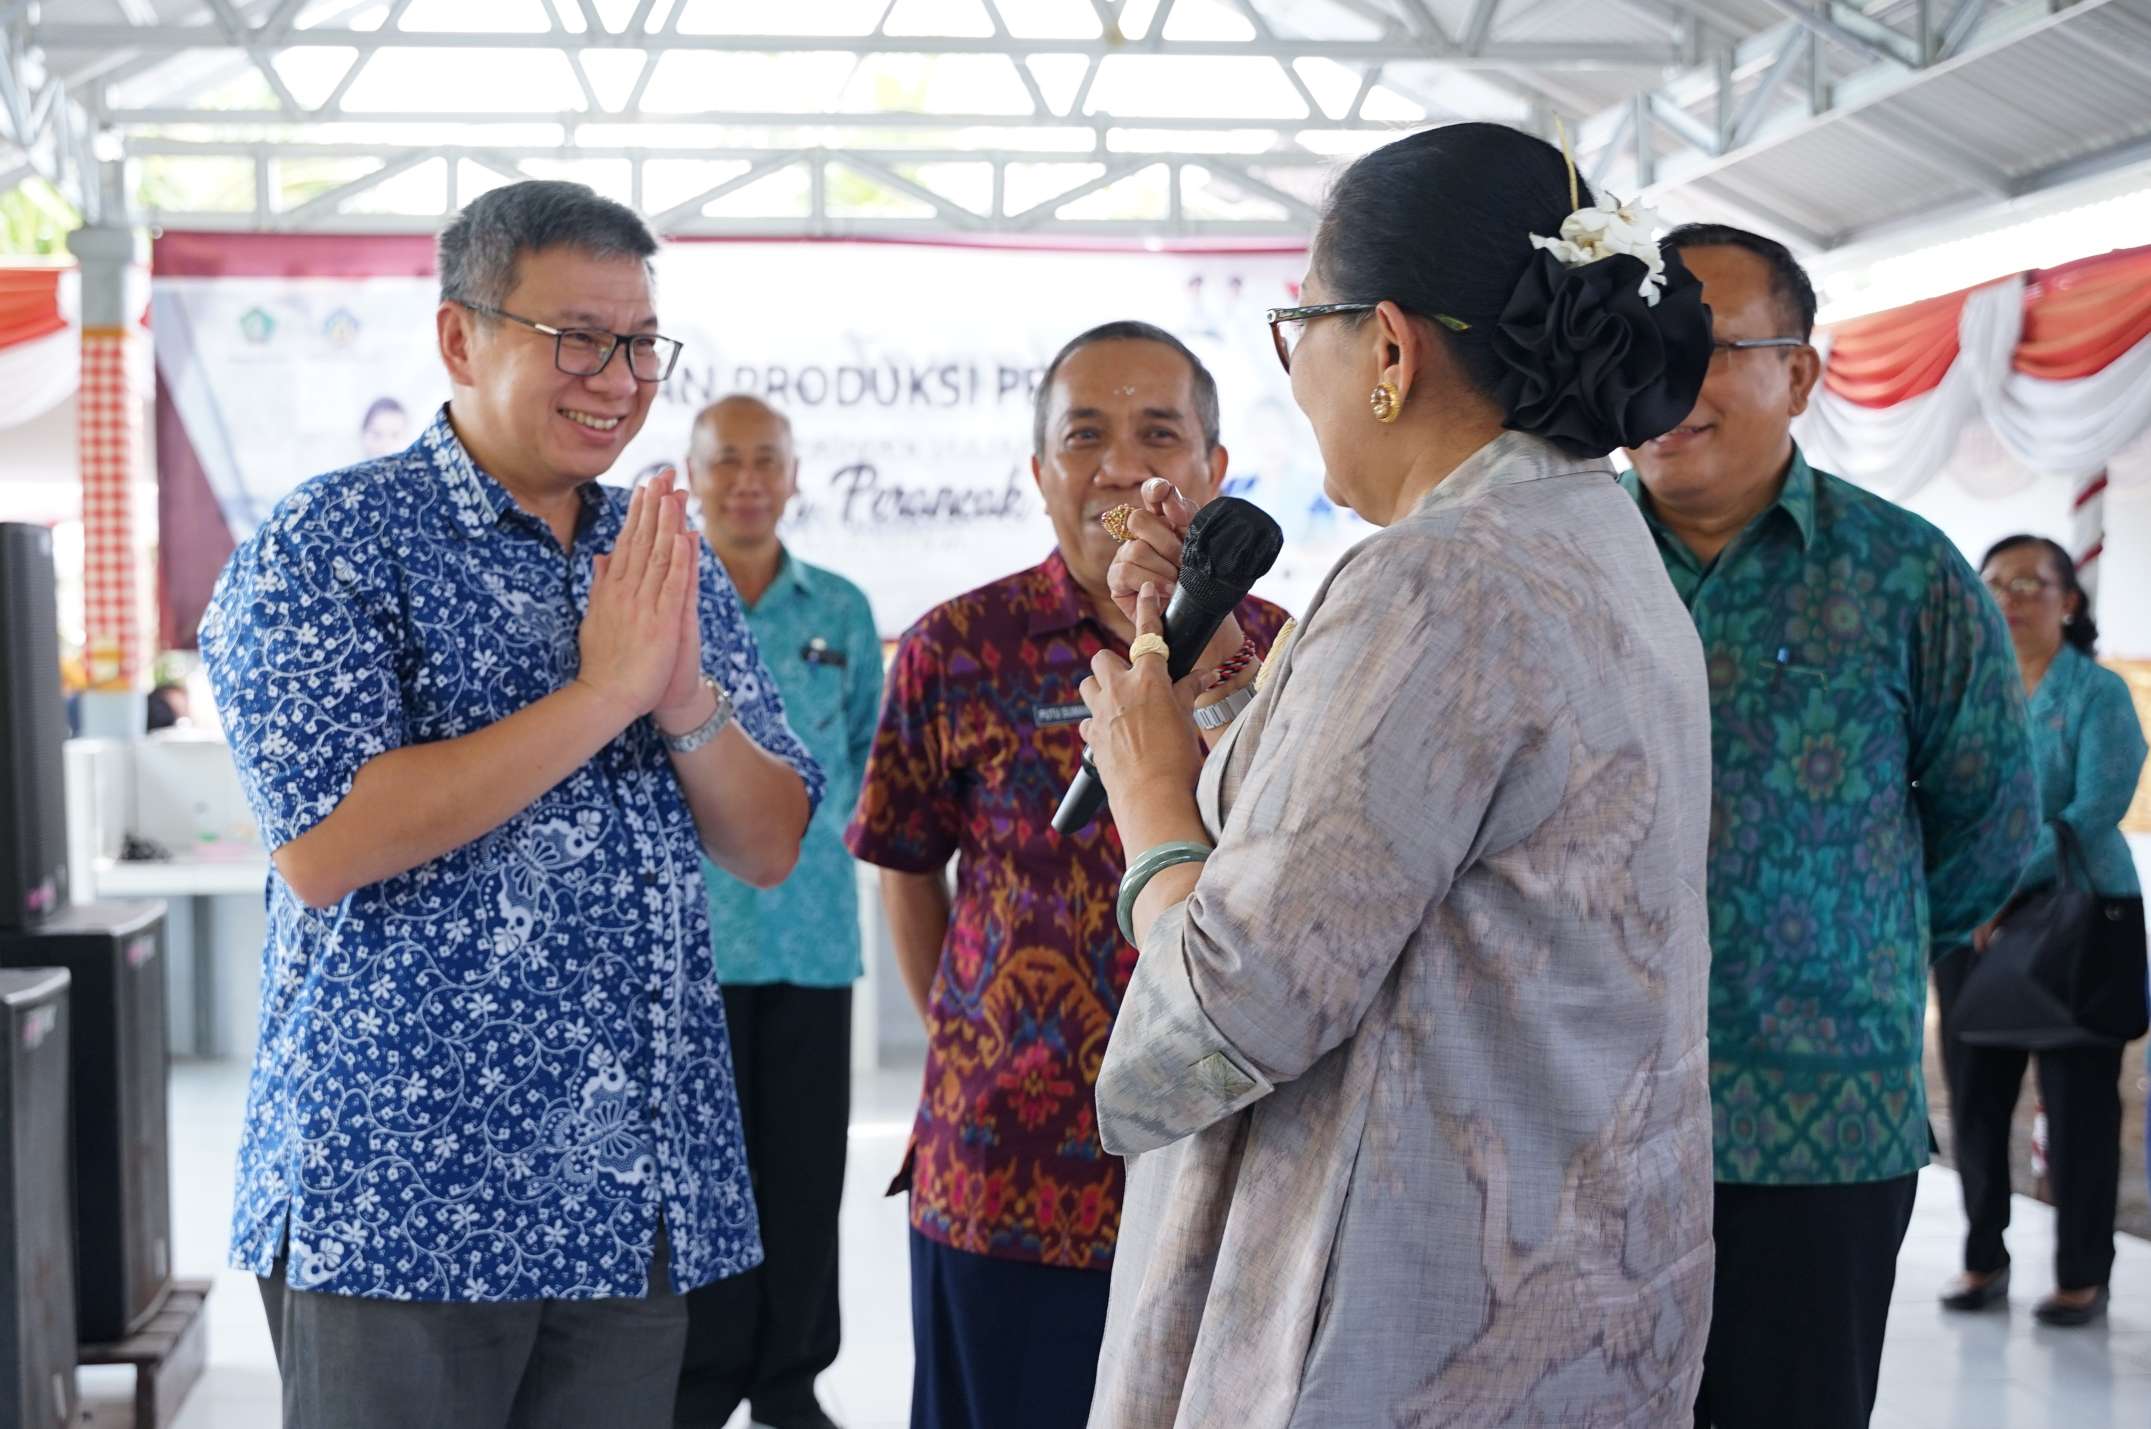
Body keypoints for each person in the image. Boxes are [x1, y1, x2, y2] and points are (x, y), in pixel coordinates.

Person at [1077, 121, 1720, 1426]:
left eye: (1296, 324)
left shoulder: (1437, 575)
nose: (1294, 372)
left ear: (1383, 346)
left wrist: (1148, 804)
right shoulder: (1584, 531)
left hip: (1409, 1314)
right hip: (1567, 1279)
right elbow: (1405, 863)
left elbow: (1239, 1003)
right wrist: (1216, 704)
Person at [198, 180, 824, 1429]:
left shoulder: (654, 550)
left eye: (641, 343)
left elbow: (767, 841)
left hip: (627, 1198)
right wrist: (602, 695)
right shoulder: (331, 541)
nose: (618, 376)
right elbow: (327, 843)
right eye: (578, 338)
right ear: (459, 337)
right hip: (402, 1203)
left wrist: (684, 692)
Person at [1620, 224, 2040, 1428]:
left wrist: (1843, 943)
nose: (1664, 385)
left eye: (1708, 349)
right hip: (1579, 1123)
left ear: (1800, 374)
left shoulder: (1907, 577)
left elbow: (1991, 827)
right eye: (1643, 347)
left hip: (1818, 1132)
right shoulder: (1563, 564)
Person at [843, 320, 1290, 1429]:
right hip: (1001, 1167)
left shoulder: (1281, 653)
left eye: (1158, 432)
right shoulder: (957, 644)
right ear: (1041, 470)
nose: (1121, 465)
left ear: (1213, 471)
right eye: (1084, 434)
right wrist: (962, 1035)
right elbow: (906, 860)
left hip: (1219, 1162)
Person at [675, 396, 883, 1429]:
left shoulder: (838, 611)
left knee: (804, 1173)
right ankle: (703, 1377)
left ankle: (791, 1376)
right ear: (693, 473)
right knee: (702, 1178)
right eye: (727, 462)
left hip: (810, 937)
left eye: (767, 461)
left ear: (795, 475)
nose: (748, 480)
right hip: (691, 945)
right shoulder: (665, 601)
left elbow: (859, 759)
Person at [1934, 536, 2147, 1327]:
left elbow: (2093, 808)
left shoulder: (2097, 695)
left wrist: (1994, 882)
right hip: (1971, 925)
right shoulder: (1965, 690)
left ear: (2069, 601)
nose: (2010, 596)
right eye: (1995, 582)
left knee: (2079, 1106)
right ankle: (1982, 1255)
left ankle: (2081, 1274)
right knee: (1977, 1103)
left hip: (2077, 918)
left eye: (2031, 582)